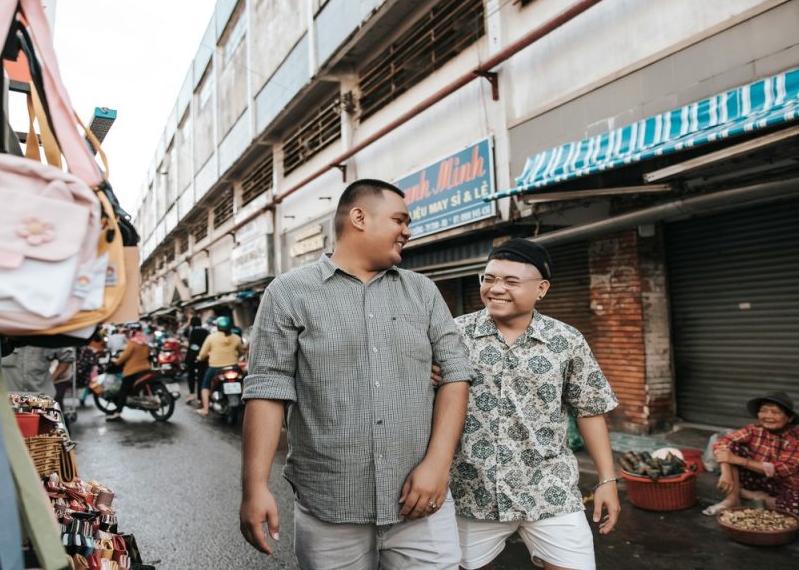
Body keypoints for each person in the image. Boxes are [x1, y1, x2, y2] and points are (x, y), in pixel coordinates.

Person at [239, 179, 475, 569]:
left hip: (421, 504)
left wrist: (437, 465)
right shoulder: (288, 293)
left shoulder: (423, 292)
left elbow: (456, 375)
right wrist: (254, 487)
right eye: (399, 219)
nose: (407, 230)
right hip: (329, 506)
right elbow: (267, 390)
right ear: (359, 217)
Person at [433, 239, 620, 570]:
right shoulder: (453, 335)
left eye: (511, 281)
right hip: (472, 492)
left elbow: (589, 409)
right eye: (488, 279)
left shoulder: (567, 340)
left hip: (550, 489)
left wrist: (607, 479)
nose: (495, 289)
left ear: (541, 289)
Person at [703, 391, 799, 519]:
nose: (768, 416)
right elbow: (723, 443)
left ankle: (753, 496)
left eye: (775, 412)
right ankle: (733, 498)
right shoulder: (754, 429)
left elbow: (779, 470)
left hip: (790, 487)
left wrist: (737, 460)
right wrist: (725, 471)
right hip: (761, 480)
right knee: (732, 447)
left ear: (789, 418)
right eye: (763, 410)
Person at [195, 316, 245, 417]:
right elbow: (242, 351)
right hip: (233, 367)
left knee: (205, 386)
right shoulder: (236, 338)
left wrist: (199, 358)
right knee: (244, 383)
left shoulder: (211, 337)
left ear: (217, 326)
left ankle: (205, 409)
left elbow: (203, 354)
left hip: (215, 368)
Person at [105, 328, 152, 421]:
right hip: (145, 368)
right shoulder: (145, 343)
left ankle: (117, 413)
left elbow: (124, 356)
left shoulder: (133, 343)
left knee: (124, 390)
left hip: (132, 370)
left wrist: (116, 361)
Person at [2, 346, 75, 400]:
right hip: (8, 399)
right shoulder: (2, 333)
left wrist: (53, 378)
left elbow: (67, 356)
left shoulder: (45, 332)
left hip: (42, 399)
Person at [182, 314, 210, 405]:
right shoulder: (206, 331)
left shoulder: (192, 331)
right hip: (203, 357)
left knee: (191, 375)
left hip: (192, 357)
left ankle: (191, 394)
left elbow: (191, 346)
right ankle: (200, 398)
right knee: (201, 377)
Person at [75, 333, 106, 408]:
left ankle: (82, 398)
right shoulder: (89, 348)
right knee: (89, 382)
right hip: (88, 368)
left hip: (85, 368)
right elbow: (93, 360)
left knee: (87, 382)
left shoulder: (86, 346)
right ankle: (82, 398)